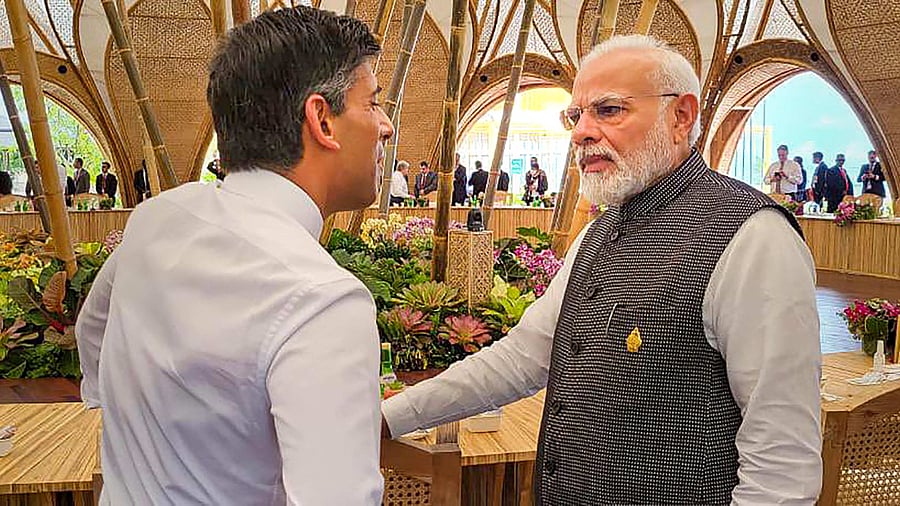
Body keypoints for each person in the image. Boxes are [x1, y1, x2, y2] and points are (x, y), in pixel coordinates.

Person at [382, 34, 821, 504]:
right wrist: (389, 418)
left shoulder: (753, 237)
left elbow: (782, 465)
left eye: (609, 110)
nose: (581, 132)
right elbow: (518, 361)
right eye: (576, 116)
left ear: (681, 116)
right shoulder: (598, 234)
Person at [76, 7, 393, 504]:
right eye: (373, 103)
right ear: (322, 120)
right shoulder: (322, 301)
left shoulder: (157, 218)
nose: (386, 125)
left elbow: (90, 330)